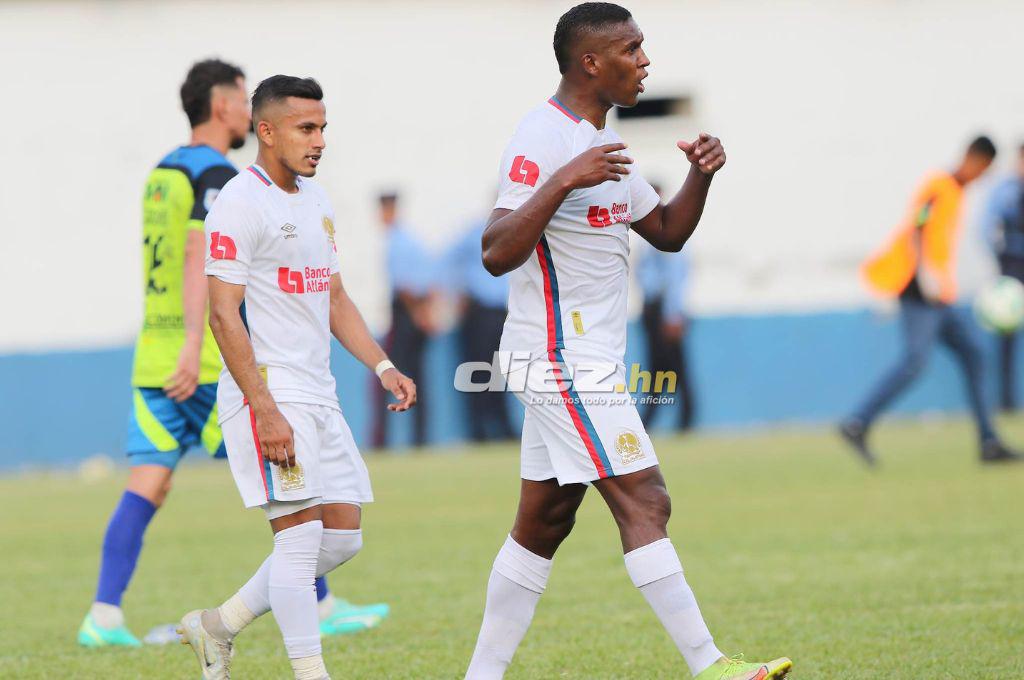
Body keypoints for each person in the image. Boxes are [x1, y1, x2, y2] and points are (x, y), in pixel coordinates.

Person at [464, 5, 791, 680]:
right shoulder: (543, 140)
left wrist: (701, 174)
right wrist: (561, 181)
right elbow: (495, 251)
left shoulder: (600, 147)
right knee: (647, 499)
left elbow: (667, 229)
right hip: (556, 356)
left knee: (546, 522)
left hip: (582, 357)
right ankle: (712, 666)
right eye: (632, 49)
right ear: (592, 62)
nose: (645, 61)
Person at [77, 61, 387, 650]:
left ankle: (104, 614)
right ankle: (313, 610)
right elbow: (204, 265)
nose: (249, 112)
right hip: (214, 360)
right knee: (300, 507)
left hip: (155, 350)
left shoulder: (160, 173)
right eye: (244, 100)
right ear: (224, 107)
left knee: (151, 483)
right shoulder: (222, 177)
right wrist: (197, 349)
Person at [177, 75, 416, 680]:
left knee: (342, 539)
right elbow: (222, 312)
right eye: (306, 129)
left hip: (318, 391)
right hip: (271, 391)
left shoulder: (316, 199)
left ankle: (216, 626)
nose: (319, 141)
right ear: (266, 130)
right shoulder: (236, 202)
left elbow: (334, 295)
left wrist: (383, 364)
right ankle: (312, 674)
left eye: (323, 128)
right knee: (298, 538)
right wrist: (264, 408)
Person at [840, 136, 1021, 465]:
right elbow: (919, 224)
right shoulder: (939, 185)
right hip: (919, 289)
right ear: (972, 158)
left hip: (940, 295)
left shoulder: (956, 192)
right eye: (982, 168)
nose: (980, 176)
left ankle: (989, 442)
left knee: (975, 355)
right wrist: (924, 272)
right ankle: (858, 422)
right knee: (915, 362)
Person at [371, 192, 436, 447]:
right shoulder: (412, 239)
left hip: (406, 317)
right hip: (416, 316)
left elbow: (405, 287)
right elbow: (430, 283)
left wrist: (418, 313)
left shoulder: (397, 241)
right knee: (418, 376)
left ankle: (382, 440)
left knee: (386, 374)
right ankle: (420, 438)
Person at [445, 216, 516, 442]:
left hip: (505, 314)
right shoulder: (477, 230)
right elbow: (449, 260)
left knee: (502, 371)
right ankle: (479, 430)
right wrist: (458, 291)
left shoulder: (520, 229)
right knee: (478, 371)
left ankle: (502, 426)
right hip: (480, 311)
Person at [636, 183, 696, 431]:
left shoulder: (667, 231)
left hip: (664, 311)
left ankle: (685, 421)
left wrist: (672, 314)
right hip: (652, 310)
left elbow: (674, 278)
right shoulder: (647, 236)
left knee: (675, 369)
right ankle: (649, 423)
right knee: (659, 370)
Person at [982, 143, 1024, 411]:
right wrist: (997, 255)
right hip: (1012, 265)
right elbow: (986, 227)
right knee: (1007, 333)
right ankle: (1007, 400)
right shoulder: (1005, 191)